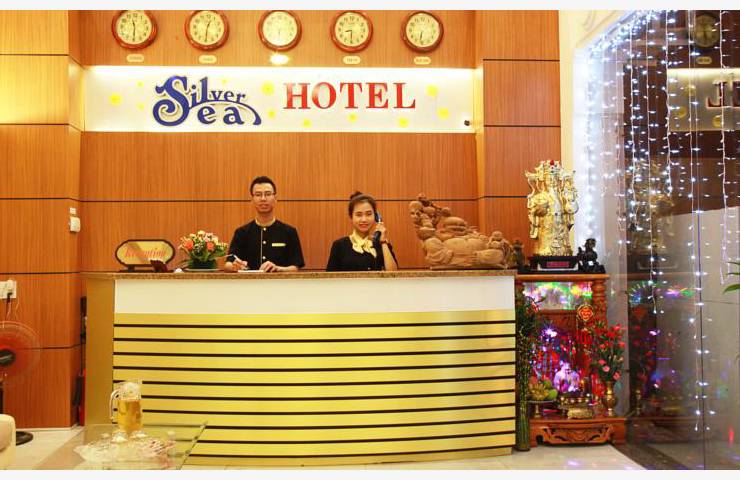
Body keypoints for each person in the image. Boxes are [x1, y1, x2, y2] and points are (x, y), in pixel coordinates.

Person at [225, 176, 305, 272]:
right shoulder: (241, 233)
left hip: (279, 281)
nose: (263, 198)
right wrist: (235, 266)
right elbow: (228, 264)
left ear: (275, 198)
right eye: (258, 195)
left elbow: (295, 267)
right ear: (252, 199)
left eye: (268, 194)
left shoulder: (289, 232)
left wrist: (278, 269)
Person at [326, 192, 398, 272]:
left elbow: (393, 275)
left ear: (376, 216)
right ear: (351, 216)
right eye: (359, 215)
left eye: (368, 214)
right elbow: (330, 277)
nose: (364, 219)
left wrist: (383, 242)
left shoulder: (382, 244)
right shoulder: (339, 245)